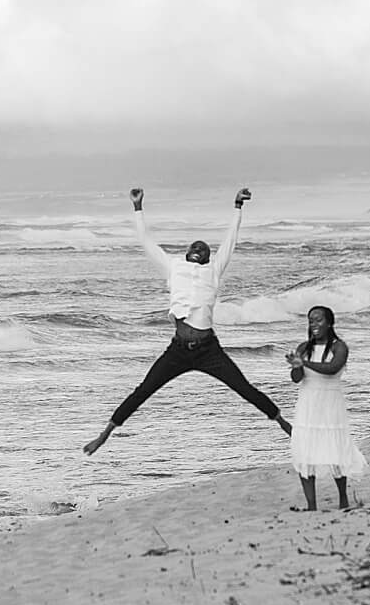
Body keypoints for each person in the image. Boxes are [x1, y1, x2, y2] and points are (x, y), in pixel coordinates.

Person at [83, 186, 292, 456]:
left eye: (203, 248)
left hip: (208, 350)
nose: (198, 248)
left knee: (244, 388)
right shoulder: (172, 266)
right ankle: (104, 434)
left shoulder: (214, 270)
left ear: (208, 257)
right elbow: (146, 241)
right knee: (144, 390)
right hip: (179, 351)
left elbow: (231, 240)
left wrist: (238, 206)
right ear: (186, 253)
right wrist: (137, 208)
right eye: (194, 246)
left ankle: (283, 422)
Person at [286, 304, 366, 509]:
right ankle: (311, 505)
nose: (314, 324)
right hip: (307, 403)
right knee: (305, 451)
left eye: (318, 320)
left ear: (329, 323)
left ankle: (343, 499)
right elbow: (297, 379)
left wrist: (304, 363)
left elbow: (332, 369)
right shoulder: (304, 348)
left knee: (335, 450)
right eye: (311, 320)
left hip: (330, 404)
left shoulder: (339, 347)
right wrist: (296, 366)